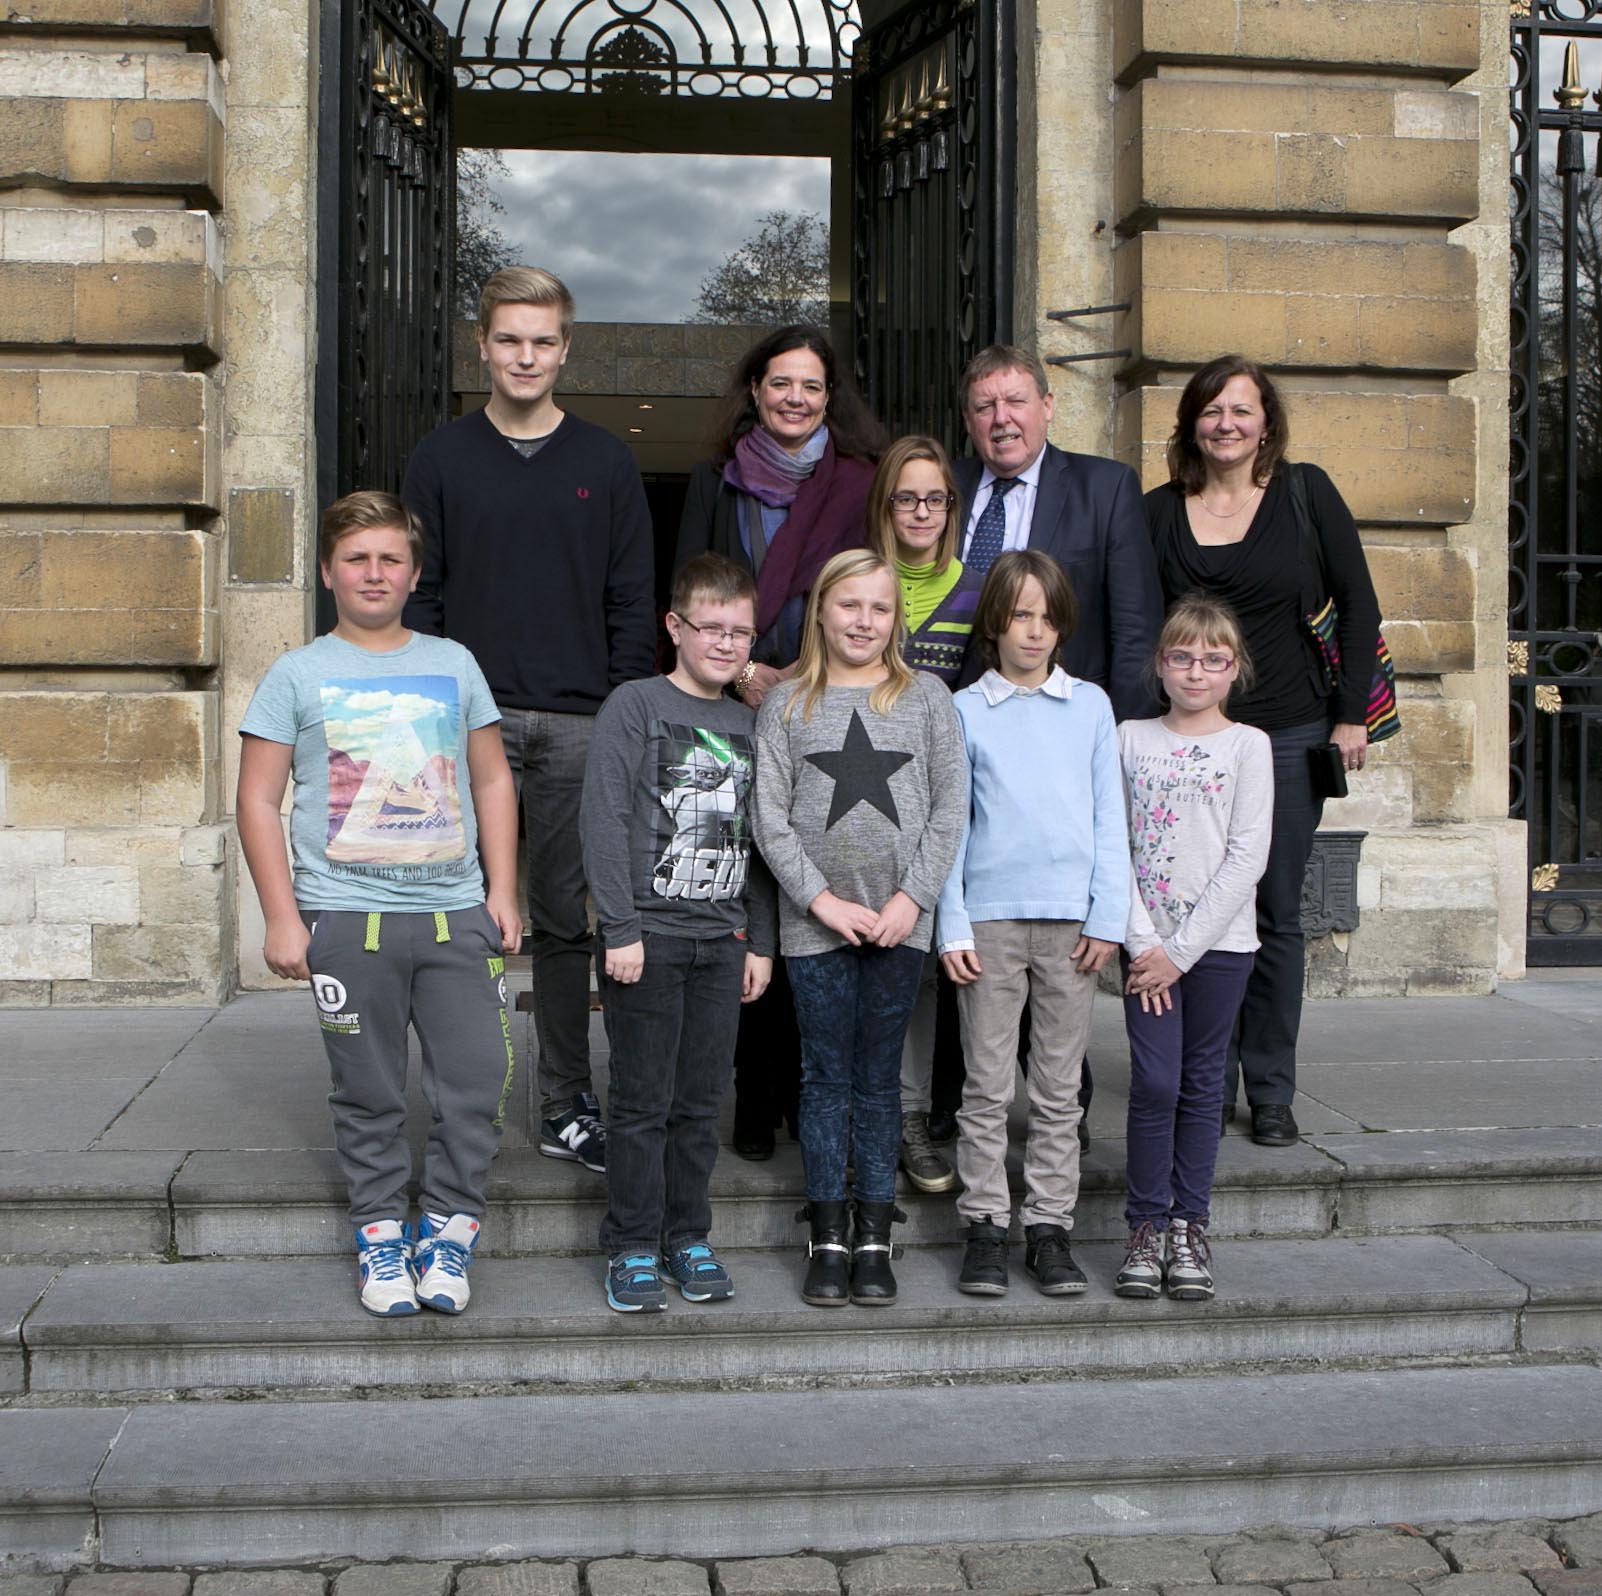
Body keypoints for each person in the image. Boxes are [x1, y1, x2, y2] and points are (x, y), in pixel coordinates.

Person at [235, 490, 521, 1318]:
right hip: (344, 918)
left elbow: (492, 777)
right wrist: (282, 917)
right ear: (327, 571)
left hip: (453, 914)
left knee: (477, 1079)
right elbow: (259, 800)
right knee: (368, 1092)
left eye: (390, 558)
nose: (374, 572)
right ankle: (379, 1236)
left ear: (414, 572)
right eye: (356, 558)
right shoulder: (297, 673)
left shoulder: (453, 662)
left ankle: (448, 1228)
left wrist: (502, 890)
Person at [403, 266, 656, 1177]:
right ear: (482, 345)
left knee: (561, 922)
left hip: (581, 724)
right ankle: (463, 1098)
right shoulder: (439, 458)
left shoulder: (605, 461)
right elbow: (419, 599)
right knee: (455, 918)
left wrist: (628, 714)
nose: (525, 355)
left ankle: (562, 1102)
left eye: (542, 340)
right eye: (509, 338)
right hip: (466, 726)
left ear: (564, 349)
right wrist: (429, 719)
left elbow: (633, 600)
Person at [1144, 355, 1381, 1147]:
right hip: (1189, 742)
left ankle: (1271, 1089)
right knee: (1198, 909)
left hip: (1286, 734)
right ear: (1190, 424)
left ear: (1265, 423)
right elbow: (1143, 628)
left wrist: (1351, 718)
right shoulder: (1158, 513)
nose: (1226, 424)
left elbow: (1358, 604)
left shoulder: (1306, 493)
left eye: (1241, 411)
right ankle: (1207, 1084)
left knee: (1276, 914)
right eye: (1211, 411)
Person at [675, 326, 887, 1162]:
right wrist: (736, 678)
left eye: (811, 385)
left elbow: (868, 593)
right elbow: (687, 585)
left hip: (824, 711)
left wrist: (804, 674)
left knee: (809, 895)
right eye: (779, 384)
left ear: (831, 396)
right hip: (731, 707)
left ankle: (809, 1091)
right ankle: (751, 1094)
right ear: (754, 392)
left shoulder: (858, 485)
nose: (794, 398)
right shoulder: (714, 482)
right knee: (742, 896)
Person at [752, 549, 966, 1308]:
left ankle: (875, 1229)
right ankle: (829, 1228)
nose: (864, 622)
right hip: (818, 927)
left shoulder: (928, 699)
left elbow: (949, 807)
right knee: (824, 1075)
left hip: (899, 923)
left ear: (895, 619)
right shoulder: (787, 706)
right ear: (822, 610)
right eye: (850, 605)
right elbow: (769, 818)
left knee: (879, 1081)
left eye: (879, 608)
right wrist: (821, 901)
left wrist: (913, 897)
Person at [580, 554, 777, 1313]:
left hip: (722, 943)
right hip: (649, 940)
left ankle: (687, 1235)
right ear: (675, 626)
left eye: (741, 632)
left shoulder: (751, 723)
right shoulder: (636, 706)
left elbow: (760, 842)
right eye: (710, 628)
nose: (726, 644)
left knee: (700, 1102)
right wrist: (619, 927)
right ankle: (631, 1243)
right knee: (640, 1101)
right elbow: (603, 819)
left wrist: (758, 939)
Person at [937, 551, 1129, 1298]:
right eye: (1021, 615)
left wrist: (1107, 916)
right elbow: (950, 827)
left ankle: (1050, 1228)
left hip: (1071, 927)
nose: (1035, 631)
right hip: (988, 921)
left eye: (1048, 618)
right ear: (995, 620)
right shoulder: (964, 710)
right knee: (985, 1086)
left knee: (1057, 1090)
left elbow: (1109, 820)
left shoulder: (1088, 706)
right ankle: (985, 1226)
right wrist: (951, 922)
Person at [1116, 594, 1273, 1303]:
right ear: (1160, 664)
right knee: (1154, 1083)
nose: (1196, 671)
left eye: (1213, 659)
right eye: (1181, 657)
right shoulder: (1129, 737)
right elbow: (1109, 844)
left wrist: (1182, 951)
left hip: (1218, 947)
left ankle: (1188, 1225)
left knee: (1203, 1084)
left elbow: (1247, 857)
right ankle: (1144, 1227)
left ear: (1234, 669)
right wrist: (1146, 942)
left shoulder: (1248, 746)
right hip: (1146, 948)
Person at [865, 435, 981, 1195]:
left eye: (934, 498)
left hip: (938, 805)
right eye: (906, 497)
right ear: (885, 504)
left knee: (921, 970)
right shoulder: (856, 582)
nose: (920, 511)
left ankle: (911, 1117)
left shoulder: (978, 590)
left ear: (951, 508)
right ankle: (853, 1117)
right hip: (851, 803)